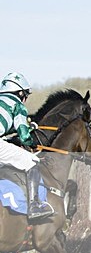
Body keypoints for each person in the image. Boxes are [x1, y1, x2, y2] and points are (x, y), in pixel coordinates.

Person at [0, 72, 54, 219]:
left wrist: (29, 127)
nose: (25, 99)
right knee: (32, 161)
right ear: (19, 92)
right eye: (25, 95)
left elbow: (5, 126)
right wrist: (32, 142)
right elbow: (23, 136)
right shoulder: (17, 105)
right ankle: (34, 206)